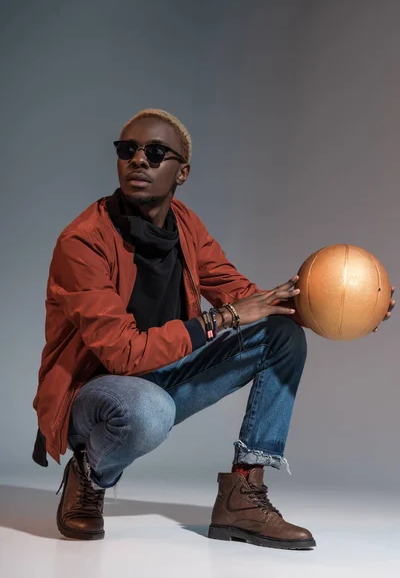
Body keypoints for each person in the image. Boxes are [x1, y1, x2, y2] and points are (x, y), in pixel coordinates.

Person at [32, 109, 395, 548]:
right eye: (127, 150)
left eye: (155, 152)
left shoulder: (185, 224)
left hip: (163, 375)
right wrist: (219, 319)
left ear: (181, 172)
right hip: (96, 396)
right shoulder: (83, 242)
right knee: (149, 411)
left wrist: (349, 307)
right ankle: (89, 474)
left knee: (280, 336)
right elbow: (122, 354)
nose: (138, 161)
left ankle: (243, 493)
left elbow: (239, 294)